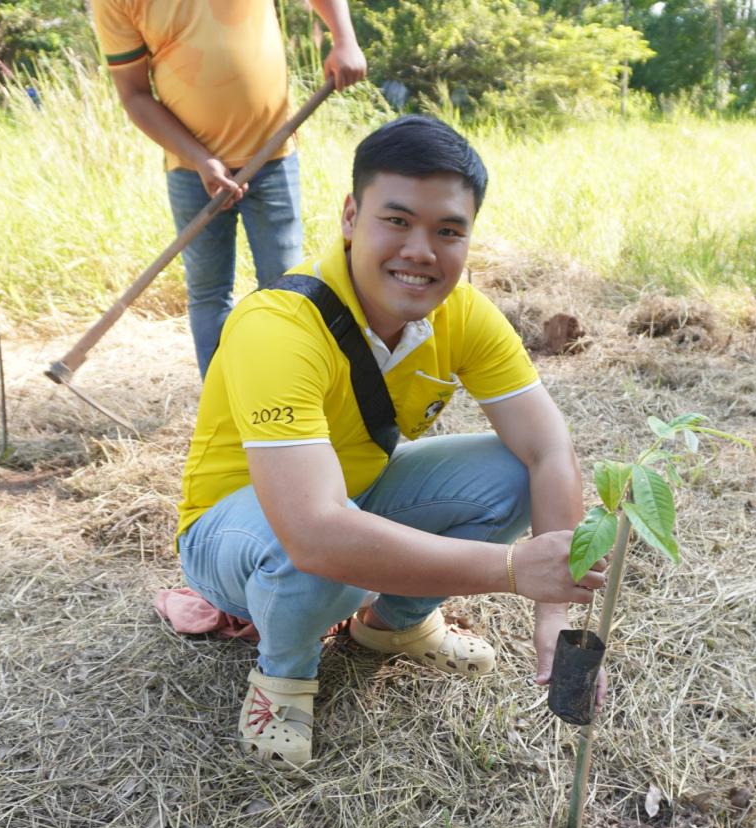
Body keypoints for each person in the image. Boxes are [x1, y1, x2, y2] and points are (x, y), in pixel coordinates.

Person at [175, 116, 608, 767]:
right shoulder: (278, 326)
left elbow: (548, 449)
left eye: (448, 231)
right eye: (396, 221)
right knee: (315, 551)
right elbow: (312, 533)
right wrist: (515, 571)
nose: (421, 251)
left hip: (350, 499)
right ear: (351, 216)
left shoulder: (461, 313)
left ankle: (392, 629)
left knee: (513, 472)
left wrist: (557, 618)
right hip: (235, 534)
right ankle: (284, 676)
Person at [90, 0, 367, 378]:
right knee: (208, 293)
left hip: (273, 156)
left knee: (285, 287)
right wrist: (200, 159)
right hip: (192, 171)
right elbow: (134, 94)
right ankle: (223, 409)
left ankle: (286, 397)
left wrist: (344, 39)